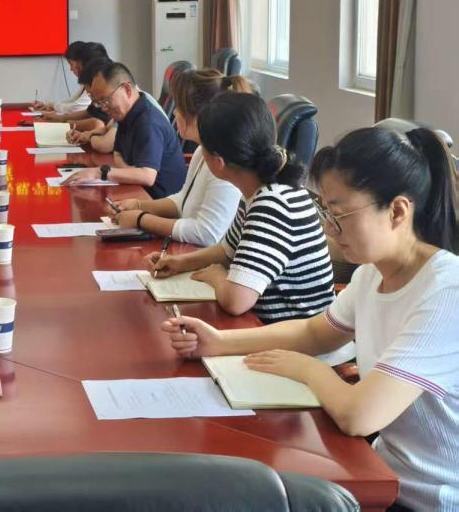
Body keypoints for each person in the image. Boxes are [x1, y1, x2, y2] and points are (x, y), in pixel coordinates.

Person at [162, 126, 459, 512]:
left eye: (340, 214)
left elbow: (358, 415)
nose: (329, 229)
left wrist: (307, 369)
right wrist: (218, 342)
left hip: (433, 499)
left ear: (397, 211)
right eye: (326, 212)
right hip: (383, 475)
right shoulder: (372, 274)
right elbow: (315, 332)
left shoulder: (446, 291)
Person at [146, 91, 334, 321]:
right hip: (266, 327)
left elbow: (236, 301)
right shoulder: (261, 189)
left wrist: (216, 276)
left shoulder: (273, 204)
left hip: (294, 336)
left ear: (218, 162)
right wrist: (180, 263)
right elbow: (227, 251)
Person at [110, 68, 249, 245]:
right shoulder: (202, 151)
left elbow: (207, 234)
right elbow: (182, 201)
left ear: (199, 115)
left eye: (180, 108)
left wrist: (141, 219)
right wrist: (138, 205)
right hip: (187, 250)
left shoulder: (222, 164)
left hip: (201, 254)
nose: (175, 113)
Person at [62, 61, 186, 198]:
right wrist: (129, 170)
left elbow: (147, 176)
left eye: (105, 100)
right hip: (136, 189)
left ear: (127, 89)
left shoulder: (148, 122)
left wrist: (100, 172)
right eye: (99, 103)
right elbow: (117, 155)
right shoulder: (125, 114)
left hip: (158, 199)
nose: (103, 108)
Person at [30, 42, 107, 120]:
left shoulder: (99, 84)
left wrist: (58, 116)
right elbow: (86, 111)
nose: (73, 69)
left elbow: (77, 109)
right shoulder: (90, 83)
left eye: (73, 65)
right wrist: (51, 108)